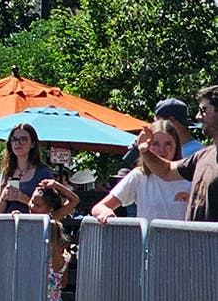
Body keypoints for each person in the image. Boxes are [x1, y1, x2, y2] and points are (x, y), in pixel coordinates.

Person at [137, 86, 218, 222]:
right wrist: (145, 151)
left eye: (203, 110)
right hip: (195, 242)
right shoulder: (202, 156)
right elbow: (167, 171)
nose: (198, 117)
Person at [93, 120, 194, 222]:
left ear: (176, 146)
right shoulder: (139, 176)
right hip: (149, 238)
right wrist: (106, 212)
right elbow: (99, 207)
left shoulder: (189, 175)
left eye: (168, 144)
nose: (161, 150)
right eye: (155, 144)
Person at [25, 179, 77, 301]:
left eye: (37, 205)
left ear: (49, 209)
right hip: (29, 273)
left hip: (46, 275)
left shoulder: (51, 219)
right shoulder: (24, 220)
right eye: (31, 202)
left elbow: (74, 200)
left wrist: (55, 185)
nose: (32, 207)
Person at [0, 123, 56, 213]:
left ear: (32, 144)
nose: (17, 143)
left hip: (33, 223)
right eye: (14, 139)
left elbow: (49, 209)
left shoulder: (43, 173)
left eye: (23, 140)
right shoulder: (6, 171)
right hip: (9, 223)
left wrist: (22, 198)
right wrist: (3, 198)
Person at [125, 98, 203, 166]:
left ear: (170, 121)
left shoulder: (196, 153)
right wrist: (140, 152)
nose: (155, 126)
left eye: (157, 122)